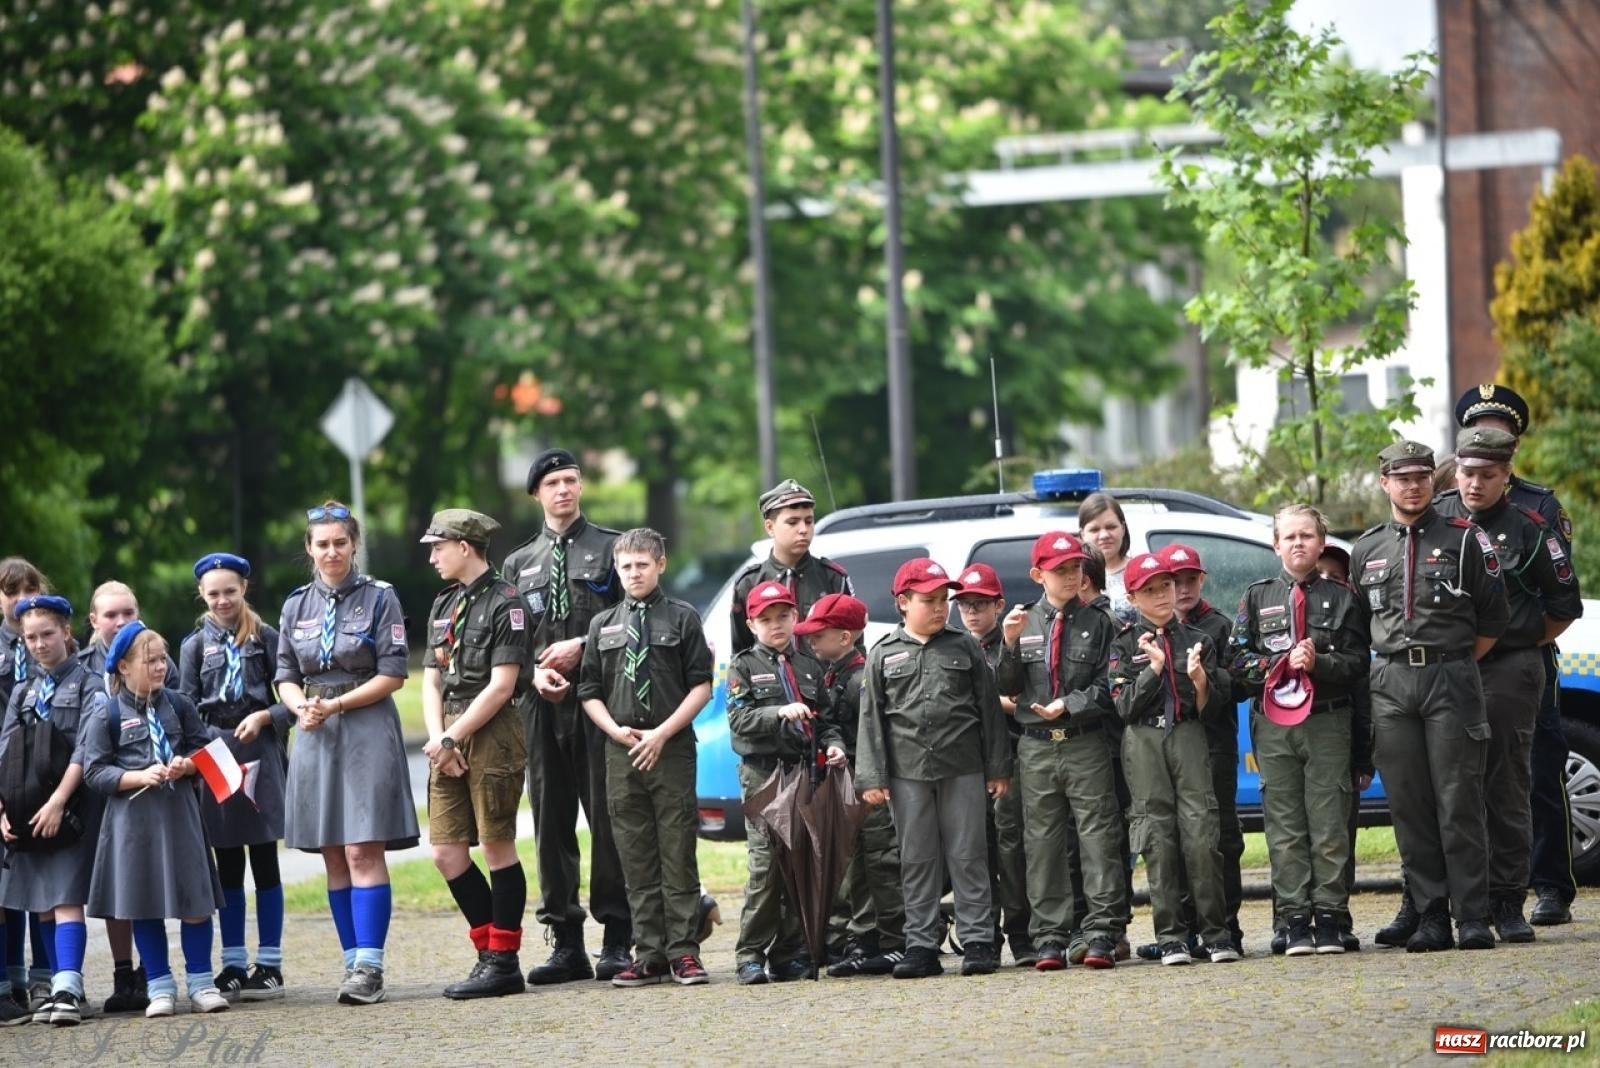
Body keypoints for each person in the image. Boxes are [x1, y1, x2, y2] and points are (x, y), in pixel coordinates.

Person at [1349, 441, 1508, 952]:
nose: (1413, 485)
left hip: (1451, 678)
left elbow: (1493, 618)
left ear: (1431, 482)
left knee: (1459, 800)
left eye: (1421, 476)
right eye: (1402, 477)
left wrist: (1453, 661)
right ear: (1385, 483)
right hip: (1392, 684)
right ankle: (1431, 913)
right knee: (1410, 805)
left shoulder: (1467, 540)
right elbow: (1361, 621)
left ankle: (1474, 915)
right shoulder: (1366, 549)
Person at [1437, 428, 1583, 942]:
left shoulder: (1530, 526)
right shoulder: (1436, 518)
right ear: (1455, 471)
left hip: (1508, 670)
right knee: (1452, 786)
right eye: (1467, 473)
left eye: (1487, 475)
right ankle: (1453, 904)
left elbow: (1564, 606)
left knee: (1507, 785)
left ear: (1506, 475)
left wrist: (1510, 641)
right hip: (1446, 670)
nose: (1475, 485)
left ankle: (1507, 901)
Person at [276, 501, 418, 1005]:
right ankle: (350, 959)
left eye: (340, 542)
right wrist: (301, 709)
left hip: (365, 722)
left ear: (353, 543)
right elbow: (286, 675)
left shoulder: (380, 598)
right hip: (316, 730)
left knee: (362, 847)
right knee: (333, 851)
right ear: (309, 549)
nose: (331, 551)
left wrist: (334, 705)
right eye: (322, 544)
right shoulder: (295, 605)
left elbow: (394, 672)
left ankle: (371, 966)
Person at [503, 448, 632, 982]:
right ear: (536, 492)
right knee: (551, 821)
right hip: (540, 703)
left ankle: (619, 936)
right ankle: (566, 941)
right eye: (553, 482)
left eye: (571, 480)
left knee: (606, 817)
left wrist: (585, 642)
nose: (564, 490)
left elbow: (632, 614)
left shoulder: (612, 549)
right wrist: (533, 670)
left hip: (596, 699)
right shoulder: (518, 562)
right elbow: (508, 637)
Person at [856, 558, 1012, 980]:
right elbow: (871, 720)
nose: (941, 608)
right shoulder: (883, 654)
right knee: (917, 859)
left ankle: (979, 940)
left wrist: (998, 768)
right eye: (930, 600)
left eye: (945, 599)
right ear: (903, 602)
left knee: (969, 854)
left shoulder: (963, 647)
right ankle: (921, 944)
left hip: (962, 767)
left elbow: (988, 713)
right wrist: (872, 777)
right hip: (907, 774)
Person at [1228, 506, 1369, 957]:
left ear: (1321, 542)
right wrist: (1277, 664)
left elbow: (1359, 663)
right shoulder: (1256, 597)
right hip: (1274, 725)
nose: (1298, 544)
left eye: (1306, 535)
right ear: (1275, 545)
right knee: (1284, 824)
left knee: (1328, 822)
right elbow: (1236, 662)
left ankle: (1329, 916)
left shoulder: (1344, 598)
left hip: (1327, 720)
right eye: (1288, 537)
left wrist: (1320, 663)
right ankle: (1292, 919)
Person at [578, 528, 714, 987]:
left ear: (660, 565)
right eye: (625, 566)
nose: (633, 573)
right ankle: (649, 952)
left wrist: (661, 733)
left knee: (677, 852)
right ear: (616, 570)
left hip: (670, 748)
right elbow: (589, 691)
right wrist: (615, 730)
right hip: (622, 752)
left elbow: (701, 686)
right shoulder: (603, 625)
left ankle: (684, 952)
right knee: (634, 856)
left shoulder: (682, 618)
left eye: (642, 564)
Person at [81, 622, 227, 1018]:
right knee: (143, 903)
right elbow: (95, 771)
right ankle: (160, 985)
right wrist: (136, 777)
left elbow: (203, 749)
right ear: (124, 667)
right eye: (150, 661)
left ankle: (201, 982)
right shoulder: (107, 712)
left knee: (195, 900)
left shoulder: (178, 704)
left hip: (180, 817)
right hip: (133, 825)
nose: (161, 667)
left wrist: (188, 764)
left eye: (162, 659)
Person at [996, 533, 1126, 971]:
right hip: (1035, 749)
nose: (1071, 576)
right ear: (1038, 575)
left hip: (1084, 740)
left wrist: (1068, 705)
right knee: (1043, 843)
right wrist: (1009, 644)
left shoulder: (1100, 621)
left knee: (1098, 838)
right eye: (1060, 570)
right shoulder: (1021, 621)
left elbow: (1110, 687)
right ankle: (1049, 935)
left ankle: (1102, 932)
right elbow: (1006, 687)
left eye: (1075, 568)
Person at [419, 509, 535, 999]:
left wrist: (453, 737)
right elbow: (430, 677)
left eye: (438, 547)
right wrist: (439, 738)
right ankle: (489, 953)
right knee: (446, 851)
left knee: (495, 843)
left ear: (464, 546)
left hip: (492, 730)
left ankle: (503, 961)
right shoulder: (444, 603)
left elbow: (502, 686)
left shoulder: (508, 602)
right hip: (448, 730)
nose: (431, 557)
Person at [1107, 552, 1238, 965]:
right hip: (1144, 739)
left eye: (1165, 586)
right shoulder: (1125, 642)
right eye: (1150, 590)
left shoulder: (1196, 638)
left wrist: (1200, 680)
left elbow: (1209, 708)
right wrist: (1153, 671)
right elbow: (1123, 706)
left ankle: (1215, 932)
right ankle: (1171, 936)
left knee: (1201, 832)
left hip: (1188, 735)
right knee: (1156, 836)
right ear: (1132, 596)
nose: (1163, 595)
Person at [177, 553, 291, 1003]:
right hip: (214, 756)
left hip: (258, 751)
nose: (222, 600)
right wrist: (205, 744)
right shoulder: (191, 646)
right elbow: (184, 706)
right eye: (213, 593)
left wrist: (267, 717)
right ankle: (231, 961)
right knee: (226, 864)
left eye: (230, 590)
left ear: (245, 587)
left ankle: (270, 963)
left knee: (265, 859)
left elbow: (293, 698)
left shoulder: (265, 638)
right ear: (202, 596)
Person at [726, 581, 844, 984]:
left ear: (796, 618)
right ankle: (750, 954)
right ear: (751, 624)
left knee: (803, 864)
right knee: (767, 867)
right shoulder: (743, 666)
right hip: (764, 776)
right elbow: (739, 720)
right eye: (765, 619)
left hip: (805, 773)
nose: (775, 625)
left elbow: (826, 721)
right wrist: (779, 711)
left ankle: (788, 951)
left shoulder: (811, 666)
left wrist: (835, 746)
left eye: (783, 616)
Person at [0, 596, 104, 1025]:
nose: (39, 644)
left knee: (65, 899)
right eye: (30, 638)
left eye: (47, 634)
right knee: (43, 901)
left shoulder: (88, 684)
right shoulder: (24, 690)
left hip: (70, 808)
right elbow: (5, 748)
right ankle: (56, 986)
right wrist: (2, 810)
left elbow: (87, 746)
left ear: (66, 631)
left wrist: (59, 801)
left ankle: (68, 987)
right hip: (26, 811)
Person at [74, 578, 173, 1012]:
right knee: (117, 882)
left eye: (127, 613)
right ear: (94, 620)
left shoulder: (156, 656)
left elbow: (175, 712)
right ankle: (121, 973)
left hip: (151, 791)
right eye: (110, 615)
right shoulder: (81, 668)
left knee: (146, 878)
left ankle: (154, 975)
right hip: (96, 785)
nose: (119, 622)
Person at [800, 593, 907, 978]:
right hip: (847, 782)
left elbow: (874, 734)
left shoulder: (862, 678)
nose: (810, 641)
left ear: (846, 637)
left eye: (819, 634)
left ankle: (894, 941)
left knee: (880, 861)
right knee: (856, 863)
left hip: (868, 781)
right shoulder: (832, 673)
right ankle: (863, 938)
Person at [1155, 543, 1246, 955]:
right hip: (1169, 752)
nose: (1183, 588)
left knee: (1220, 837)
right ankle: (1184, 928)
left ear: (1202, 579)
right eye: (1173, 581)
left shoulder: (1219, 627)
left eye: (1190, 579)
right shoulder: (1152, 630)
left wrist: (1207, 682)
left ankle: (1226, 925)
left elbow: (1238, 686)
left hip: (1214, 747)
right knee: (1175, 837)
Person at [954, 563, 1034, 967]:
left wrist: (985, 701)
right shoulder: (952, 646)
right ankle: (982, 936)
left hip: (1012, 753)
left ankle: (1021, 933)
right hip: (967, 761)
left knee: (1011, 845)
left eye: (980, 604)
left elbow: (1021, 700)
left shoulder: (1013, 640)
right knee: (975, 849)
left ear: (999, 605)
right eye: (964, 604)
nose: (971, 612)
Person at [1314, 544, 1374, 953]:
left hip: (1343, 742)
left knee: (1339, 832)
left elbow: (1363, 705)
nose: (1328, 585)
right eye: (1319, 576)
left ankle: (1339, 914)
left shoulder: (1351, 635)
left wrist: (1363, 760)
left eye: (1336, 577)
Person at [0, 558, 51, 1015]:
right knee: (7, 884)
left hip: (44, 771)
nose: (20, 599)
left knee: (41, 880)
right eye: (10, 590)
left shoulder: (49, 640)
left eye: (28, 589)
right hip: (5, 770)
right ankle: (9, 981)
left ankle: (42, 979)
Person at [729, 479, 853, 655]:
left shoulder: (833, 578)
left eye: (809, 521)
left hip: (825, 681)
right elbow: (741, 650)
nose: (803, 529)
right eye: (793, 522)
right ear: (770, 527)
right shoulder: (749, 583)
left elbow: (854, 647)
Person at [1078, 493, 1135, 626]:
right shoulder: (1074, 577)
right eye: (1094, 529)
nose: (1104, 535)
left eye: (1111, 527)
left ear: (1123, 528)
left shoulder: (1142, 571)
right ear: (1082, 534)